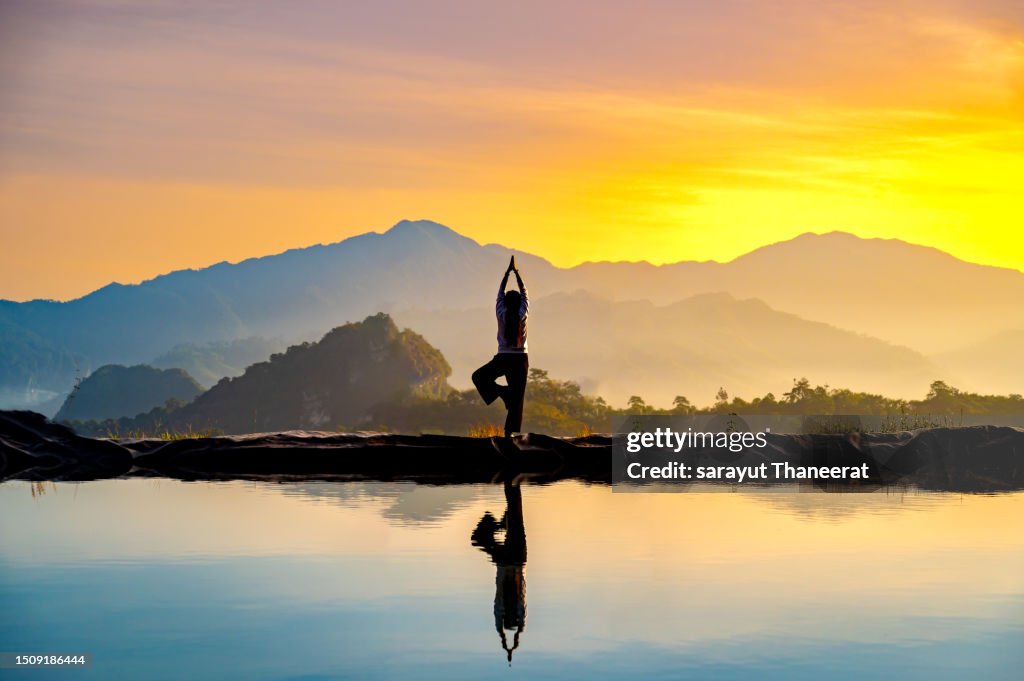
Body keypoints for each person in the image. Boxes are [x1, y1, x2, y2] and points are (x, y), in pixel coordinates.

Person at [472, 255, 529, 438]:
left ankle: (503, 393)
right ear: (519, 303)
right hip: (520, 359)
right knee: (517, 399)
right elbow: (525, 293)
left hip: (504, 357)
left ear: (505, 302)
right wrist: (517, 273)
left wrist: (507, 273)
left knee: (479, 377)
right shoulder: (522, 314)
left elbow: (500, 293)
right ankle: (510, 435)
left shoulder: (501, 312)